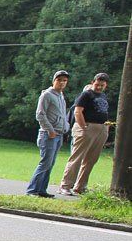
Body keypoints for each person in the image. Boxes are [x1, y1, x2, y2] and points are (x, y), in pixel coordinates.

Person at [59, 73, 110, 195]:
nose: (99, 87)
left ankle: (80, 186)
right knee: (77, 157)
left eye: (102, 85)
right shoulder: (86, 94)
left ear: (106, 85)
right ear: (93, 82)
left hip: (101, 128)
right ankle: (65, 185)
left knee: (91, 159)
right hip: (86, 127)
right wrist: (84, 127)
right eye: (97, 84)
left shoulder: (103, 96)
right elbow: (78, 111)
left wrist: (106, 126)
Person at [26, 70, 70, 198]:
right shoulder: (47, 95)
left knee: (50, 164)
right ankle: (32, 190)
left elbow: (63, 115)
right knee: (45, 163)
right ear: (54, 81)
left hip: (59, 134)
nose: (62, 83)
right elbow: (40, 114)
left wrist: (66, 127)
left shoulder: (61, 96)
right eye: (59, 80)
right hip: (48, 134)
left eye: (64, 80)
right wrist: (50, 130)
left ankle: (41, 190)